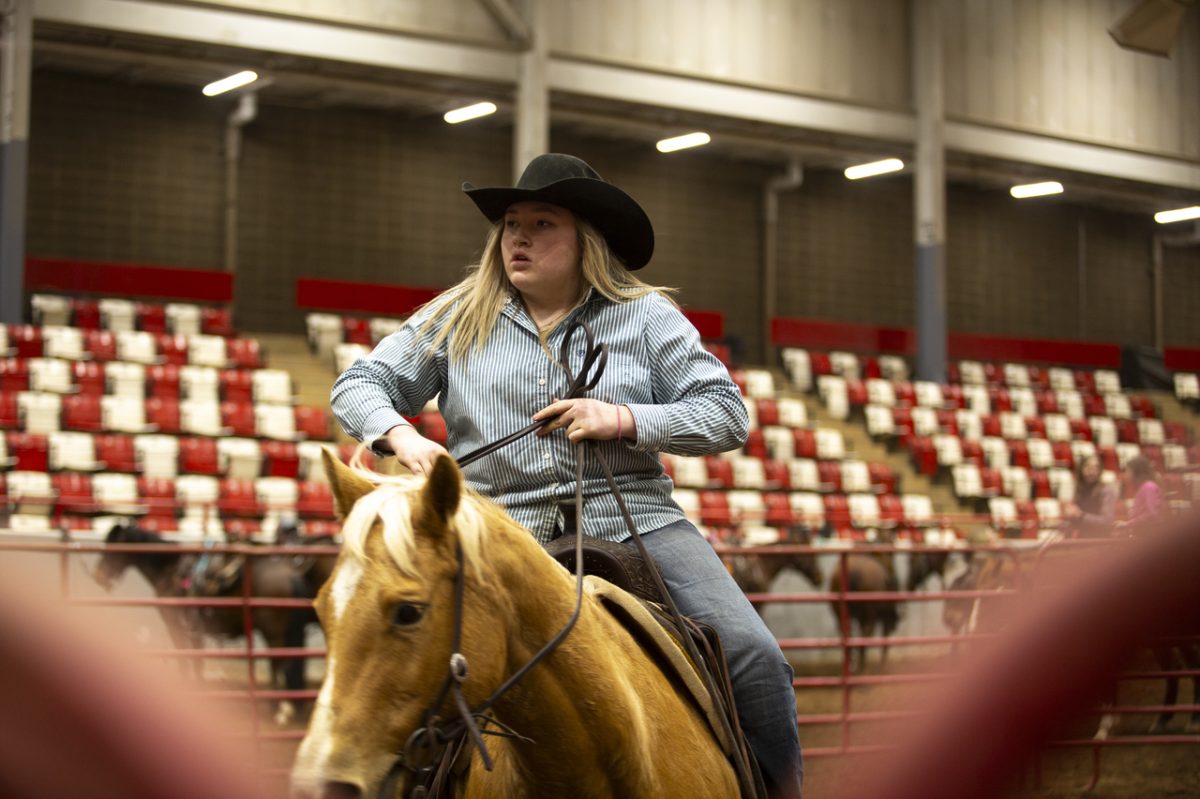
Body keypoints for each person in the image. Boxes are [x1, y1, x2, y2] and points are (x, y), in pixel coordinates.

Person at [330, 153, 803, 798]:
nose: (517, 238)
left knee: (756, 660)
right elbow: (360, 383)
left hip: (636, 522)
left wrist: (621, 417)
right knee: (416, 672)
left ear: (588, 241)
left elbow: (725, 417)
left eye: (541, 223)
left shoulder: (647, 318)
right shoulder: (456, 315)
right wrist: (403, 436)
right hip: (501, 530)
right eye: (511, 224)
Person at [1062, 454, 1117, 538]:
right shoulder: (1079, 490)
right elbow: (1077, 520)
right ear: (1081, 469)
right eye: (1088, 467)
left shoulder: (1106, 491)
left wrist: (1080, 515)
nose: (1092, 471)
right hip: (1082, 540)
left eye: (1096, 467)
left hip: (1100, 541)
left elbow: (1107, 521)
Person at [1119, 454, 1164, 528]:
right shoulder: (1144, 487)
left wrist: (1128, 524)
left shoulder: (1149, 486)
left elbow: (1151, 514)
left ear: (1136, 472)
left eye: (1128, 470)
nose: (1126, 473)